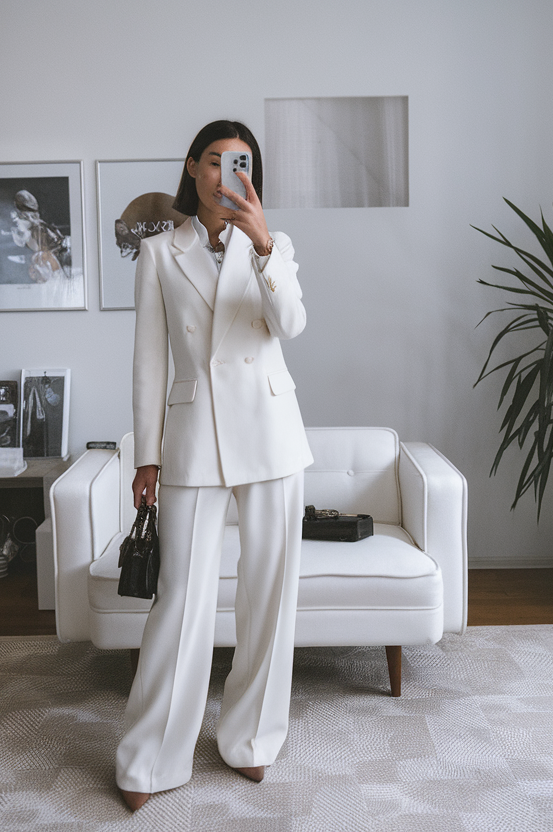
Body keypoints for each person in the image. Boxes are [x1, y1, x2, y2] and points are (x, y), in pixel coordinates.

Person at [115, 120, 314, 811]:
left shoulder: (274, 244)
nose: (232, 172)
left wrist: (261, 244)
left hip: (270, 432)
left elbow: (290, 324)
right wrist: (146, 454)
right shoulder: (160, 253)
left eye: (245, 163)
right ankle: (151, 758)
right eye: (220, 161)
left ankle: (252, 740)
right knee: (181, 601)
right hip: (195, 437)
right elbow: (148, 360)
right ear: (194, 167)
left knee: (269, 597)